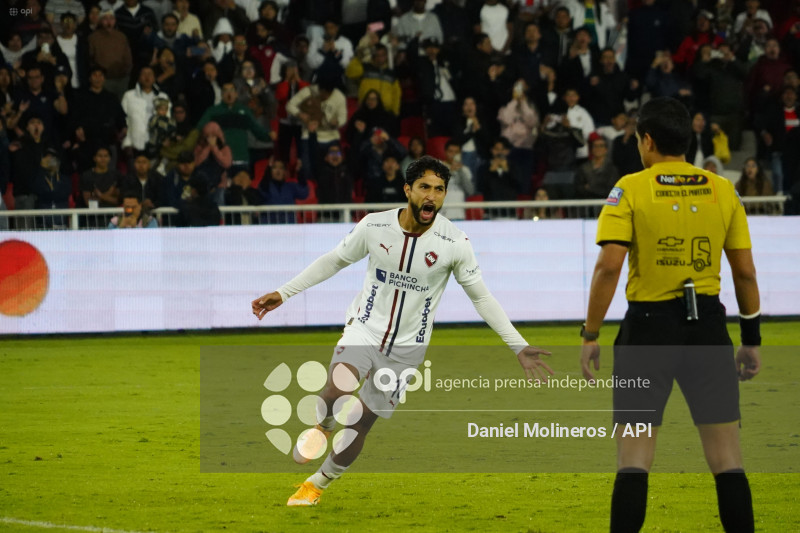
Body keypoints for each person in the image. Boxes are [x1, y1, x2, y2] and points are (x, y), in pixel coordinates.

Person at [251, 155, 553, 507]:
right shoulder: (375, 227)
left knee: (361, 424)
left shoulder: (453, 242)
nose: (432, 197)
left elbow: (482, 298)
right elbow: (334, 260)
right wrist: (284, 293)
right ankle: (324, 425)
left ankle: (317, 484)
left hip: (407, 351)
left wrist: (518, 346)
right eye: (425, 187)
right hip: (364, 330)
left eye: (439, 190)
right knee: (336, 389)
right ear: (407, 189)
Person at [580, 97, 761, 533]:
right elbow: (745, 273)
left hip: (647, 333)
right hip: (709, 331)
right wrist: (750, 338)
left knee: (634, 460)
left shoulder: (631, 187)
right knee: (727, 461)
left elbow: (609, 266)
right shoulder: (722, 189)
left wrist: (590, 334)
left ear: (647, 140)